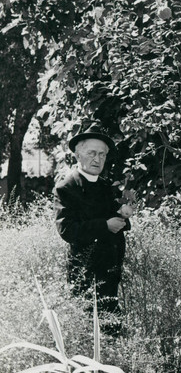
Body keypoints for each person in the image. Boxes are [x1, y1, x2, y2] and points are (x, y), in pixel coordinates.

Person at [54, 122, 129, 326]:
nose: (97, 159)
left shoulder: (108, 187)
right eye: (92, 153)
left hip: (111, 271)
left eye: (102, 154)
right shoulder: (66, 188)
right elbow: (68, 230)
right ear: (78, 155)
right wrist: (105, 225)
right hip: (85, 274)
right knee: (87, 331)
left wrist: (124, 215)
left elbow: (119, 223)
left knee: (112, 328)